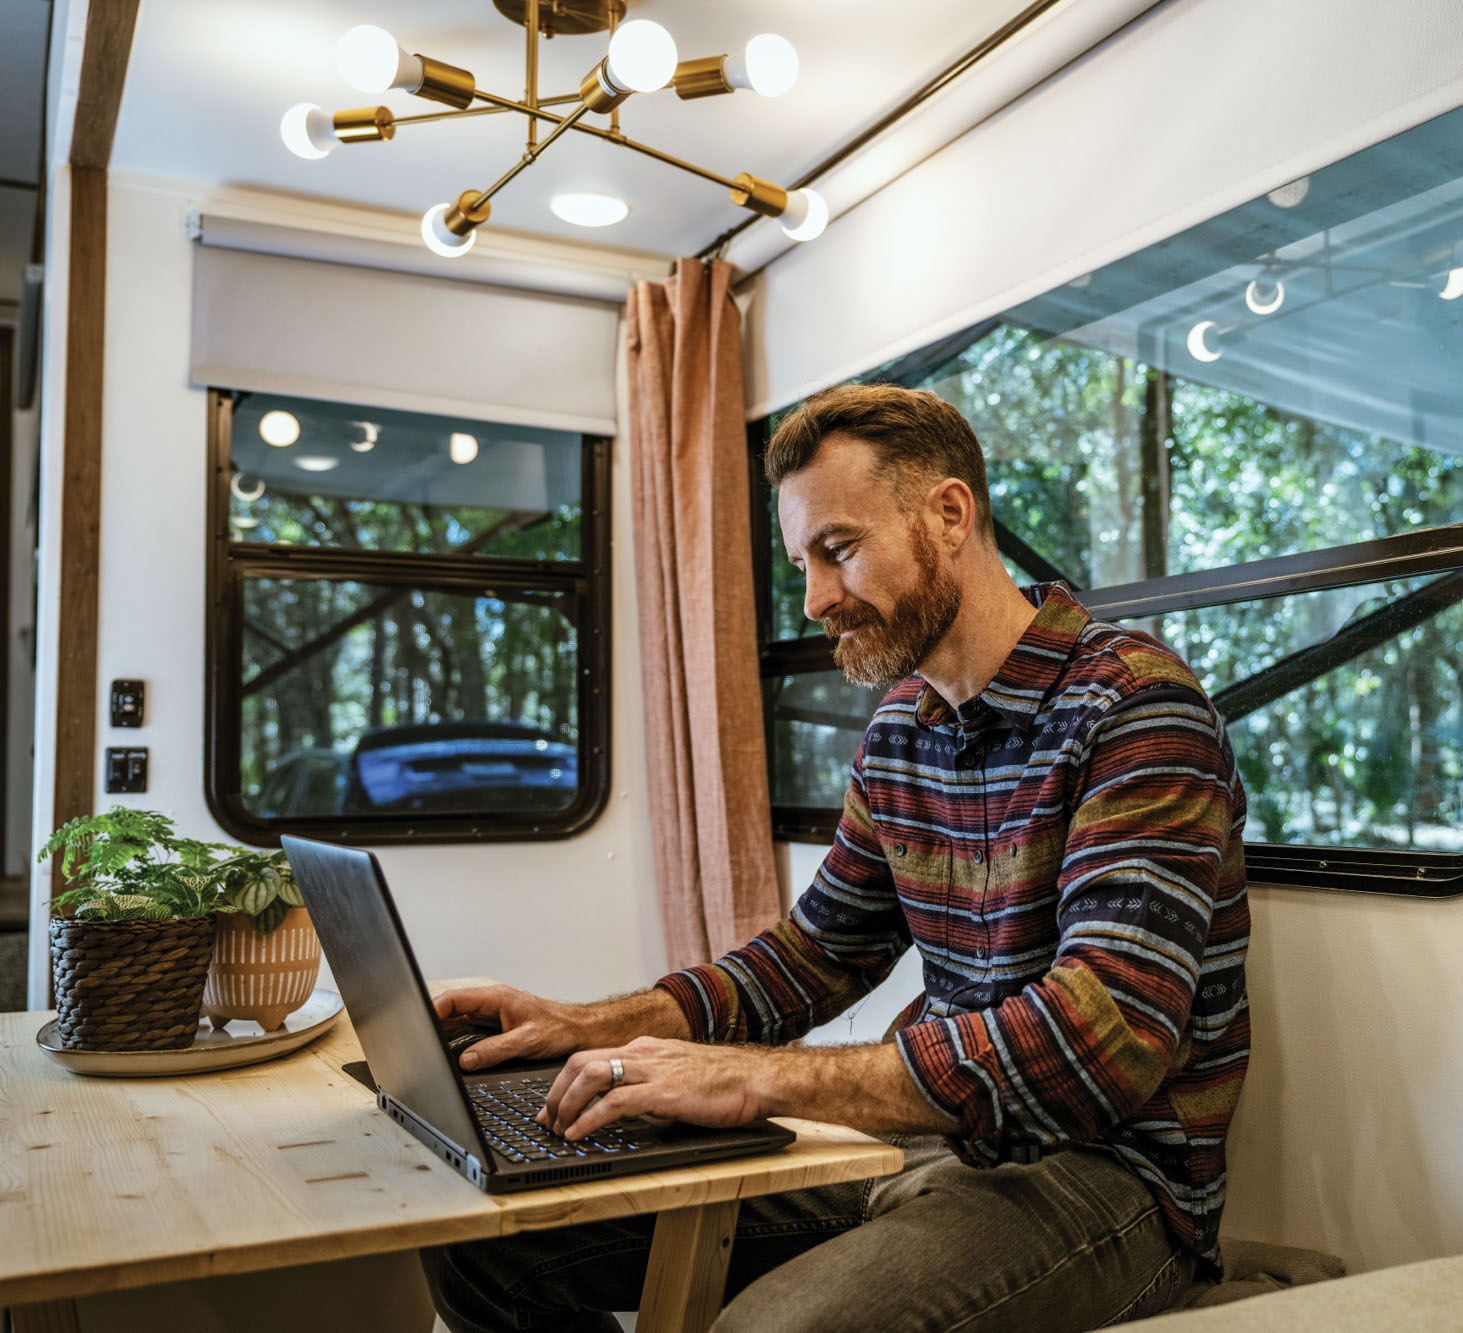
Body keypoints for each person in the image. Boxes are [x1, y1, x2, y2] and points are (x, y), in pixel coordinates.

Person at [422, 383, 1251, 1332]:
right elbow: (813, 956)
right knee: (485, 1242)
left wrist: (752, 1077)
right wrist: (585, 1023)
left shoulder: (1136, 709)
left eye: (839, 549)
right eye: (803, 562)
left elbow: (1101, 1039)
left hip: (1111, 1181)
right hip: (930, 1143)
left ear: (948, 515)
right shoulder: (902, 730)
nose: (816, 598)